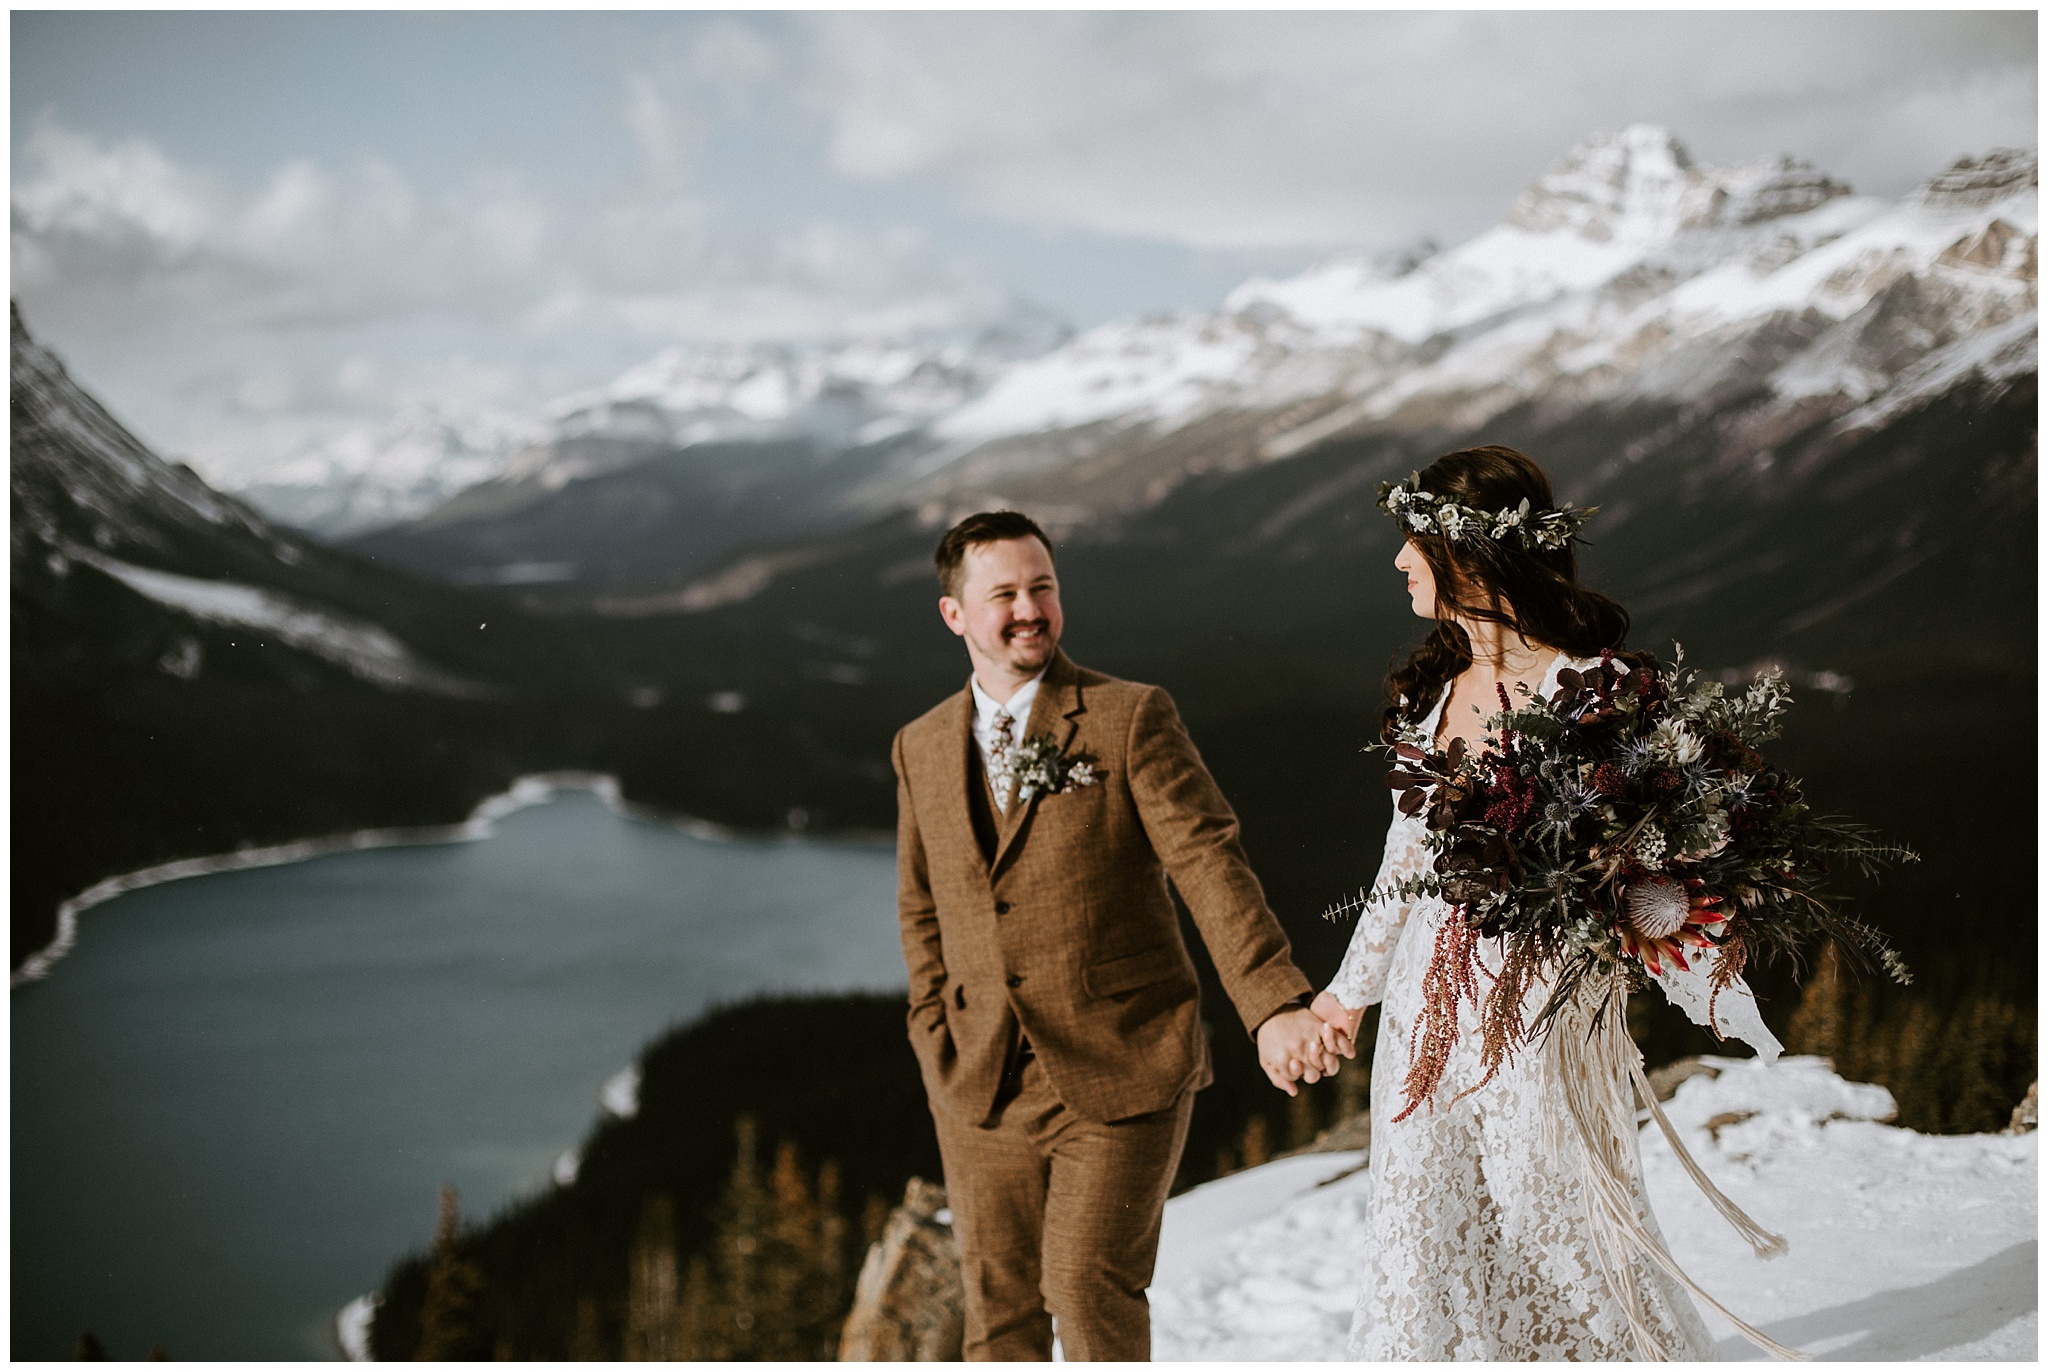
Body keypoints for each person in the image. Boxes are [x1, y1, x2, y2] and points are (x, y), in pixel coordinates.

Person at [892, 509, 1337, 1361]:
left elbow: (1209, 860)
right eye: (1005, 595)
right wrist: (931, 1028)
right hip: (977, 1079)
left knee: (1088, 1290)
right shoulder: (917, 747)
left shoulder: (1129, 716)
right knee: (999, 1317)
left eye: (1043, 588)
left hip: (1121, 1059)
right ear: (955, 615)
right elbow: (921, 907)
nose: (1030, 610)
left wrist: (1273, 1002)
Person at [1310, 446, 1720, 1360]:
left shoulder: (1593, 689)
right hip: (1426, 1005)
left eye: (1413, 542)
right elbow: (1402, 864)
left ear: (1467, 554)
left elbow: (1654, 851)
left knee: (1559, 1211)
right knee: (1425, 1220)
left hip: (1542, 1002)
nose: (1398, 562)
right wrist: (1347, 994)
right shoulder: (1434, 691)